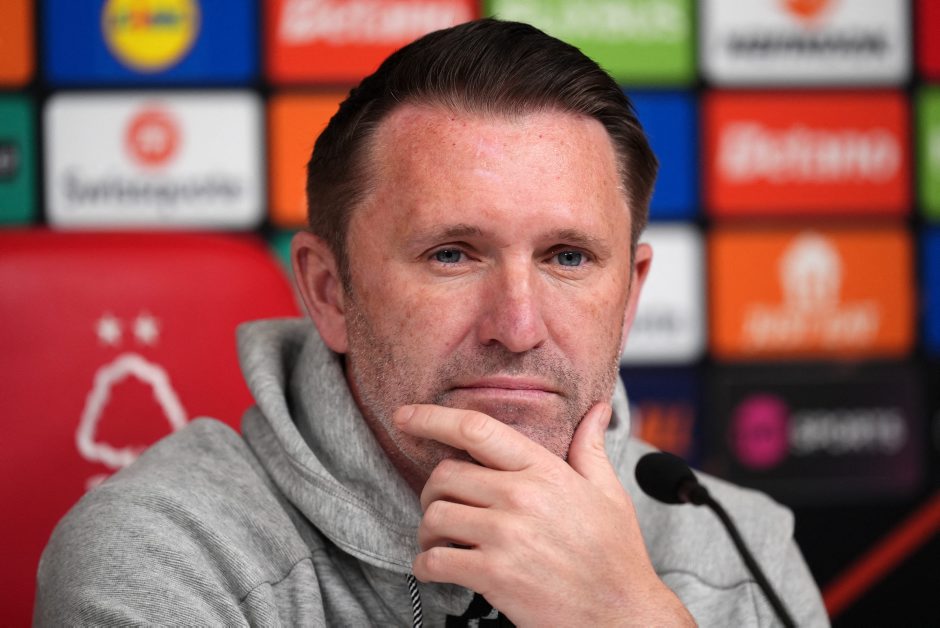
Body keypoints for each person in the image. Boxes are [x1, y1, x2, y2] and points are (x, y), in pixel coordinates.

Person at [35, 19, 828, 627]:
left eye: (568, 257)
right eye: (452, 254)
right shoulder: (162, 552)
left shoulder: (738, 550)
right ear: (329, 292)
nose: (518, 326)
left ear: (628, 298)